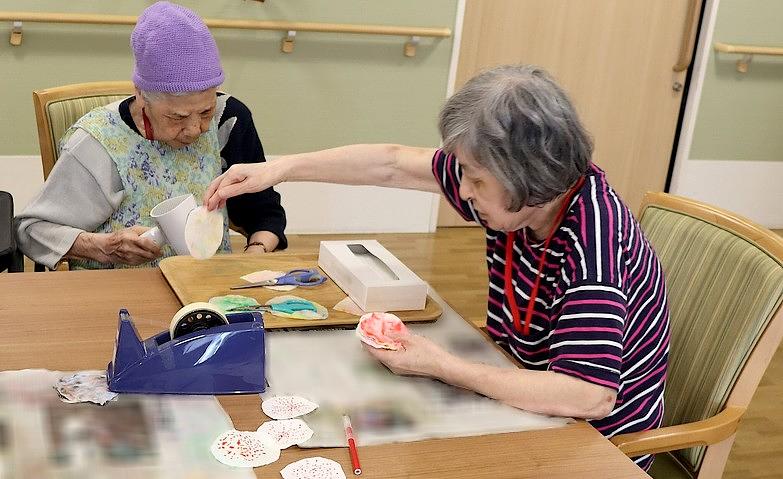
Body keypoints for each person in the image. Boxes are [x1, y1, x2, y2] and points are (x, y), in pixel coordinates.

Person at [204, 65, 670, 471]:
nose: (462, 191)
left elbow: (588, 395)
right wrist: (280, 169)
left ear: (526, 178)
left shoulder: (593, 247)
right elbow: (391, 165)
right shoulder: (521, 194)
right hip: (520, 381)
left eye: (475, 178)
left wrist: (441, 365)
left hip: (593, 443)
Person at [15, 1, 286, 270]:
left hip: (205, 289)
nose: (195, 129)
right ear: (141, 96)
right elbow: (32, 230)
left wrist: (254, 255)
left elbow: (263, 212)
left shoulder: (228, 118)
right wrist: (104, 247)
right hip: (119, 293)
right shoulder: (99, 141)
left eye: (205, 111)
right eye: (177, 117)